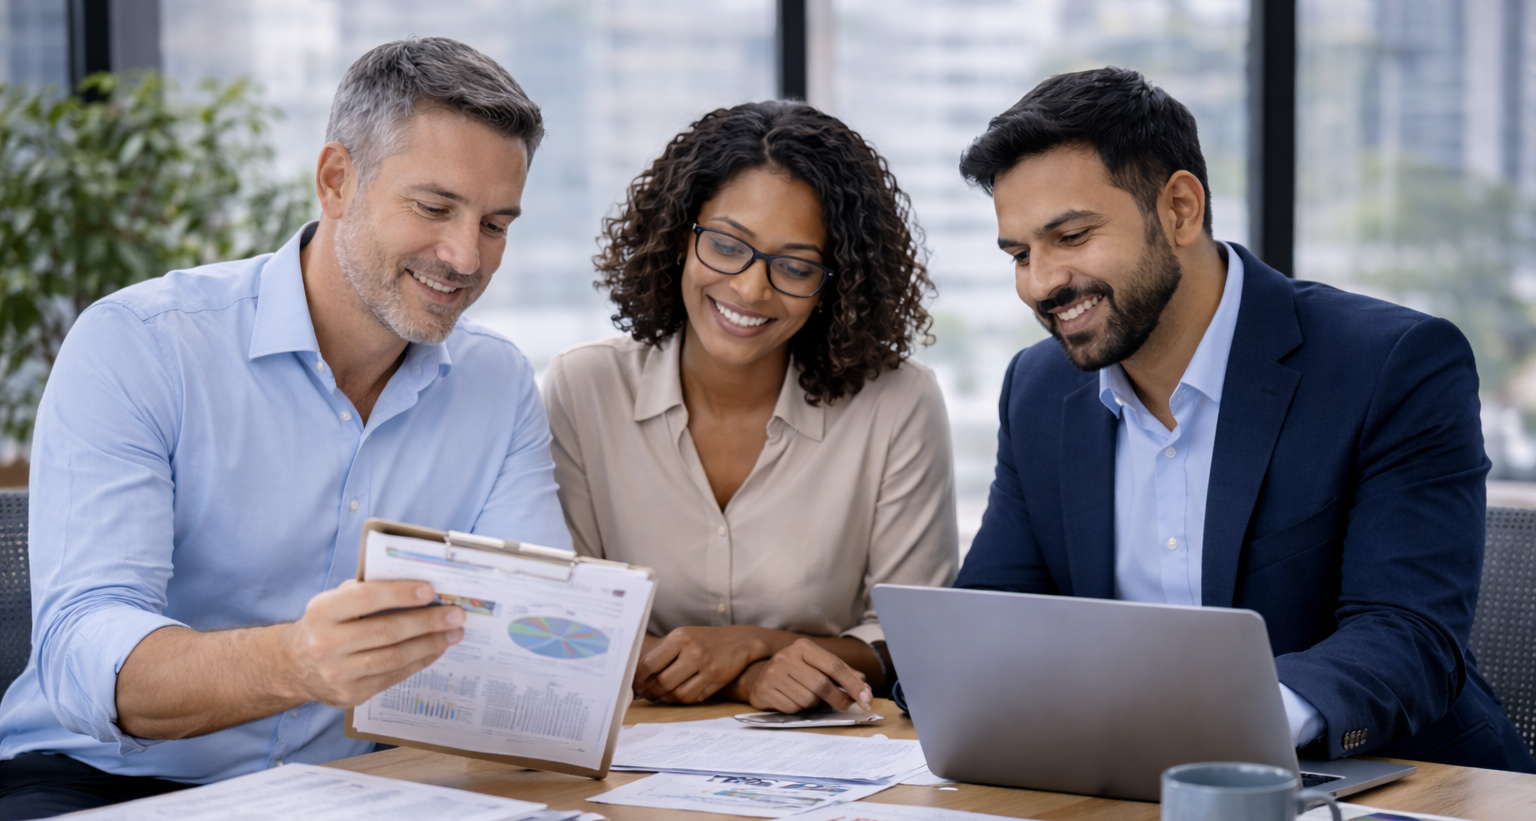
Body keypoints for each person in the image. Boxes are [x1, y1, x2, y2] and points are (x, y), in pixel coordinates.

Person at [0, 38, 571, 821]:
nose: (465, 256)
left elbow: (527, 652)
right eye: (434, 208)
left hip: (348, 796)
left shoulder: (497, 384)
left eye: (496, 224)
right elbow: (81, 654)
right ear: (337, 180)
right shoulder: (141, 343)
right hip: (96, 783)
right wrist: (296, 662)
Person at [949, 67, 1535, 771]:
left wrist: (1231, 728)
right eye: (1019, 254)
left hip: (1396, 791)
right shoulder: (1039, 389)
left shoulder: (1390, 364)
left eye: (1070, 237)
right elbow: (994, 618)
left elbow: (1408, 635)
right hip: (1131, 793)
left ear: (1180, 209)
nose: (1041, 284)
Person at [542, 101, 957, 714]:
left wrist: (755, 643)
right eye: (728, 246)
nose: (749, 289)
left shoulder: (897, 403)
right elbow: (565, 619)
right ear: (680, 237)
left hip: (836, 760)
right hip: (630, 756)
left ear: (835, 285)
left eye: (795, 266)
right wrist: (742, 677)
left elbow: (912, 637)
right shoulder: (584, 389)